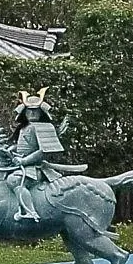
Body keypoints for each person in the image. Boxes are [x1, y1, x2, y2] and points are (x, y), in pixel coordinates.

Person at [7, 88, 85, 221]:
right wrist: (11, 149)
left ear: (41, 112)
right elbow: (23, 145)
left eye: (35, 110)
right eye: (29, 110)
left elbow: (43, 151)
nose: (32, 113)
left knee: (15, 181)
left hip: (35, 168)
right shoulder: (24, 128)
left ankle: (30, 212)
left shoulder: (44, 127)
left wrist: (24, 161)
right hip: (20, 165)